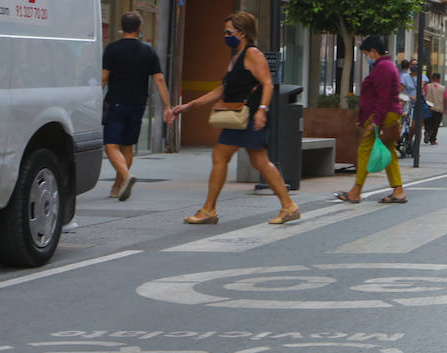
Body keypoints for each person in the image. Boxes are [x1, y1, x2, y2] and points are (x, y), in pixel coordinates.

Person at [165, 12, 300, 225]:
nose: (226, 36)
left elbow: (267, 83)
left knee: (243, 159)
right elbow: (221, 90)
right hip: (239, 116)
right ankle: (287, 206)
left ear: (242, 32)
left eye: (229, 32)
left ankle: (210, 209)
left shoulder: (252, 53)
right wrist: (188, 106)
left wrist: (262, 110)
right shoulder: (236, 57)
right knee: (249, 160)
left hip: (249, 116)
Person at [101, 12, 171, 201]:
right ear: (140, 28)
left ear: (122, 27)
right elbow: (159, 79)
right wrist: (167, 106)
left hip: (116, 102)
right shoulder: (148, 52)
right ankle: (117, 186)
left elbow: (104, 78)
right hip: (138, 104)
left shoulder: (112, 49)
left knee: (111, 146)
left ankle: (126, 176)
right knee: (127, 146)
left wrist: (92, 98)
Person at [335, 35, 408, 205]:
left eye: (367, 53)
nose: (366, 57)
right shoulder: (387, 66)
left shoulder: (383, 68)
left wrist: (375, 122)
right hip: (388, 114)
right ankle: (398, 190)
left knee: (365, 150)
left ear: (373, 52)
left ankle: (356, 191)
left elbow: (382, 98)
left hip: (383, 115)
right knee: (389, 151)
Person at [424, 72, 447, 145]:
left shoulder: (427, 86)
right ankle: (433, 139)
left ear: (432, 78)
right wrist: (445, 108)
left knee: (427, 122)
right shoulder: (443, 88)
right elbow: (445, 98)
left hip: (428, 108)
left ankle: (427, 131)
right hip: (438, 109)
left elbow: (424, 95)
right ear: (439, 79)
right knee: (435, 125)